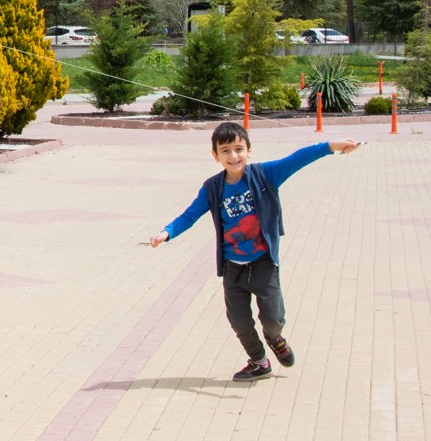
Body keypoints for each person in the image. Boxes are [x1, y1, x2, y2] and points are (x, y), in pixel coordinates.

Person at [149, 121, 360, 382]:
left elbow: (299, 158)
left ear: (249, 150)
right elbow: (190, 215)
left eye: (239, 149)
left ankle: (275, 338)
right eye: (225, 150)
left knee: (273, 319)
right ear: (215, 156)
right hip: (233, 267)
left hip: (263, 264)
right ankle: (259, 361)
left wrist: (332, 146)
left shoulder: (265, 175)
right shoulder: (213, 188)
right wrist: (167, 232)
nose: (233, 156)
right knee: (239, 321)